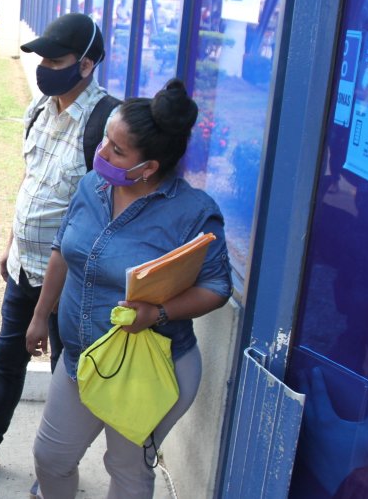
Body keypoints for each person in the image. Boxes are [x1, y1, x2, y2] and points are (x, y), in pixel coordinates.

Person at [28, 79, 232, 499]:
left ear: (149, 167)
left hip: (146, 372)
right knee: (50, 458)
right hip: (83, 360)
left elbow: (216, 286)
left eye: (117, 151)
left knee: (127, 470)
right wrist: (39, 315)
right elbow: (62, 251)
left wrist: (156, 314)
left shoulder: (192, 214)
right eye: (106, 140)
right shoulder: (92, 186)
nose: (101, 153)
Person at [0, 12, 120, 469]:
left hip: (73, 278)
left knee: (66, 376)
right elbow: (33, 181)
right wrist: (14, 242)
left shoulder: (106, 123)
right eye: (42, 58)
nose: (45, 67)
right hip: (24, 265)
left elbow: (106, 212)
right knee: (7, 356)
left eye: (57, 59)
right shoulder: (38, 109)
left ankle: (56, 471)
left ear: (87, 64)